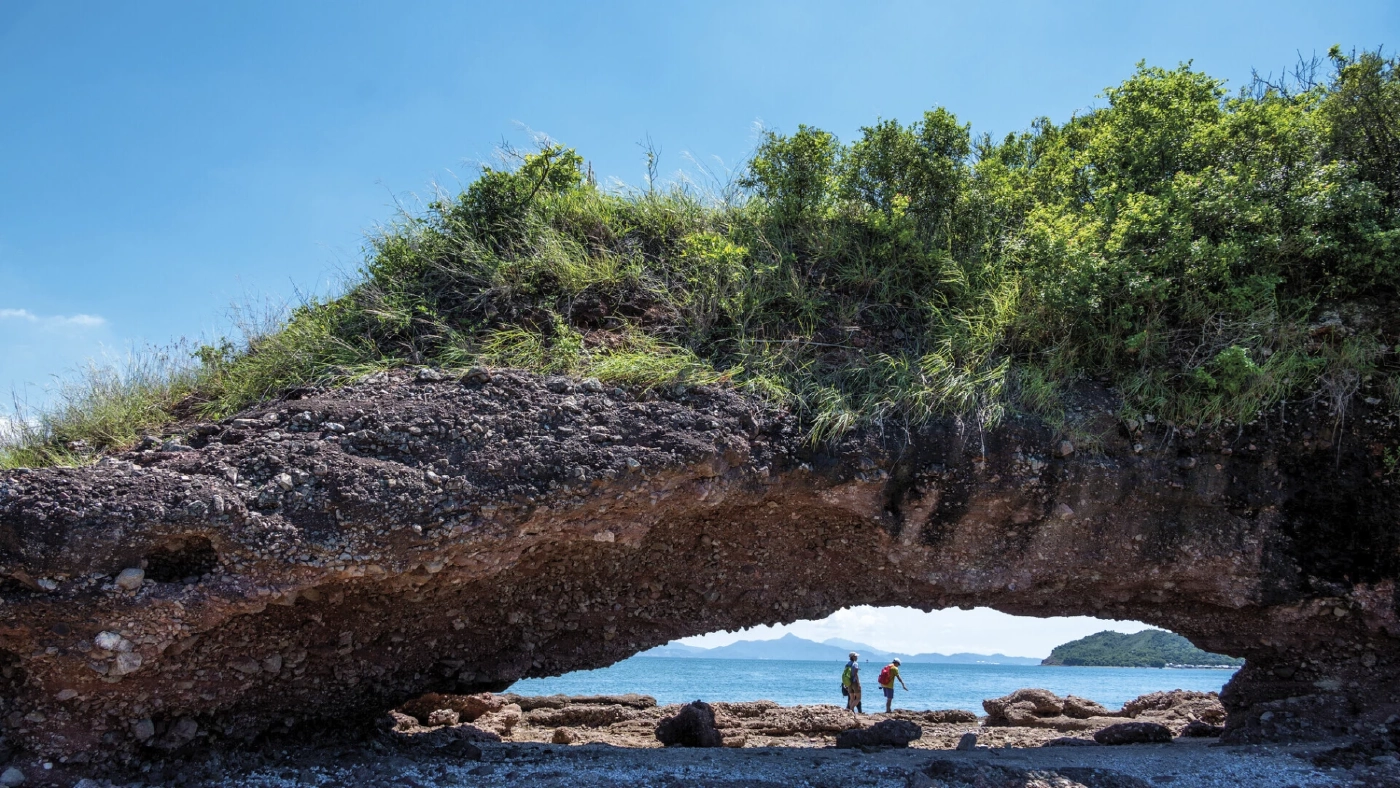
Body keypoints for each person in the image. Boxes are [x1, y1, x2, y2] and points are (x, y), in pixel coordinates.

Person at [842, 652, 863, 716]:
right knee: (858, 698)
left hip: (849, 683)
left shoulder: (847, 664)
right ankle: (851, 709)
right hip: (854, 682)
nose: (857, 657)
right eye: (856, 656)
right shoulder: (855, 664)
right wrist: (858, 683)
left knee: (851, 698)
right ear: (853, 657)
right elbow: (856, 674)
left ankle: (851, 712)